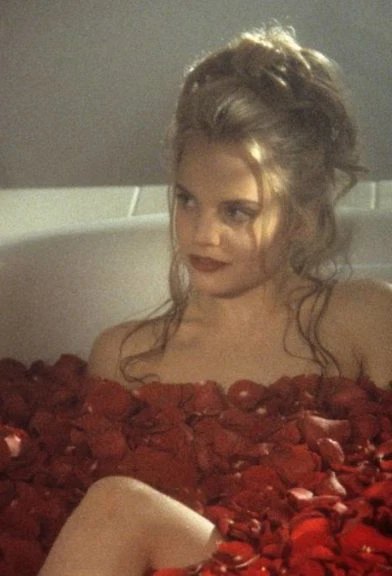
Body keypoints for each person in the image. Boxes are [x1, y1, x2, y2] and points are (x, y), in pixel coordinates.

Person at [39, 24, 392, 575]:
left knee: (116, 505)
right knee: (114, 505)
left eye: (236, 211)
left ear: (300, 219)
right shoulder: (124, 357)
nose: (202, 235)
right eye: (187, 200)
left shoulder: (364, 318)